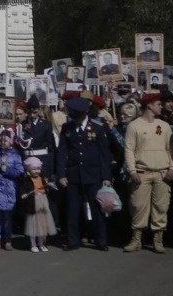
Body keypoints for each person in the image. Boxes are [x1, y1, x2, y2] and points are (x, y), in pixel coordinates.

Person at [123, 93, 173, 253]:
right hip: (142, 173)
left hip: (162, 173)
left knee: (161, 207)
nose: (162, 106)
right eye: (158, 104)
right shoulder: (134, 126)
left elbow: (172, 150)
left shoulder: (165, 125)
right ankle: (136, 239)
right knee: (138, 206)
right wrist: (132, 170)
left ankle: (158, 239)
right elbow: (129, 149)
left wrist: (172, 167)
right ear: (149, 105)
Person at [57, 96, 113, 251]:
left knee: (97, 209)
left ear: (82, 113)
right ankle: (72, 240)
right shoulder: (67, 127)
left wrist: (106, 176)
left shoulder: (97, 126)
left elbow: (104, 154)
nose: (72, 116)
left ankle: (101, 241)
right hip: (73, 174)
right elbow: (62, 152)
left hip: (93, 174)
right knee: (72, 209)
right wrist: (61, 174)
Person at [0, 128, 24, 251]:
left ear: (11, 142)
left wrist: (7, 170)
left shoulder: (16, 155)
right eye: (0, 140)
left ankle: (8, 239)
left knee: (7, 216)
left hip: (8, 189)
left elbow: (19, 171)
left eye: (5, 141)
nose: (2, 143)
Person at [19, 156, 57, 252]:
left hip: (42, 202)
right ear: (29, 170)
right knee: (33, 225)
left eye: (38, 169)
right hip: (32, 204)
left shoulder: (43, 178)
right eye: (34, 169)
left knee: (42, 225)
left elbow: (46, 188)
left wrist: (48, 187)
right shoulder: (26, 180)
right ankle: (33, 244)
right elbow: (22, 189)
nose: (36, 171)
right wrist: (23, 194)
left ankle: (41, 244)